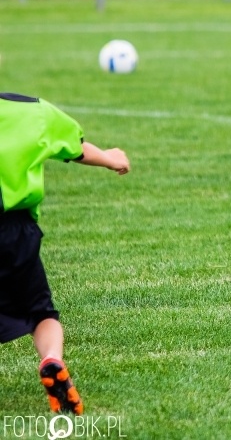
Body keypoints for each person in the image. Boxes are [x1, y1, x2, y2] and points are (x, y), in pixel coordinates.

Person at [0, 92, 130, 415]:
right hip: (15, 234)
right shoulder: (31, 111)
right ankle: (51, 360)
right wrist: (111, 157)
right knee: (41, 313)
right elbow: (75, 147)